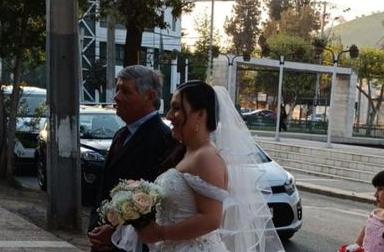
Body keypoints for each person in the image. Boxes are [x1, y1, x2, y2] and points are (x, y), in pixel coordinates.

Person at [112, 80, 284, 252]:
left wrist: (161, 233)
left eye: (177, 108)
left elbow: (211, 219)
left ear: (200, 115)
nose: (170, 115)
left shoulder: (206, 156)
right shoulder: (186, 151)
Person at [88, 65, 175, 252]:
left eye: (125, 91)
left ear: (150, 96)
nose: (116, 96)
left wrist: (113, 235)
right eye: (118, 89)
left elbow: (154, 205)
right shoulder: (121, 134)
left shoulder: (162, 139)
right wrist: (95, 226)